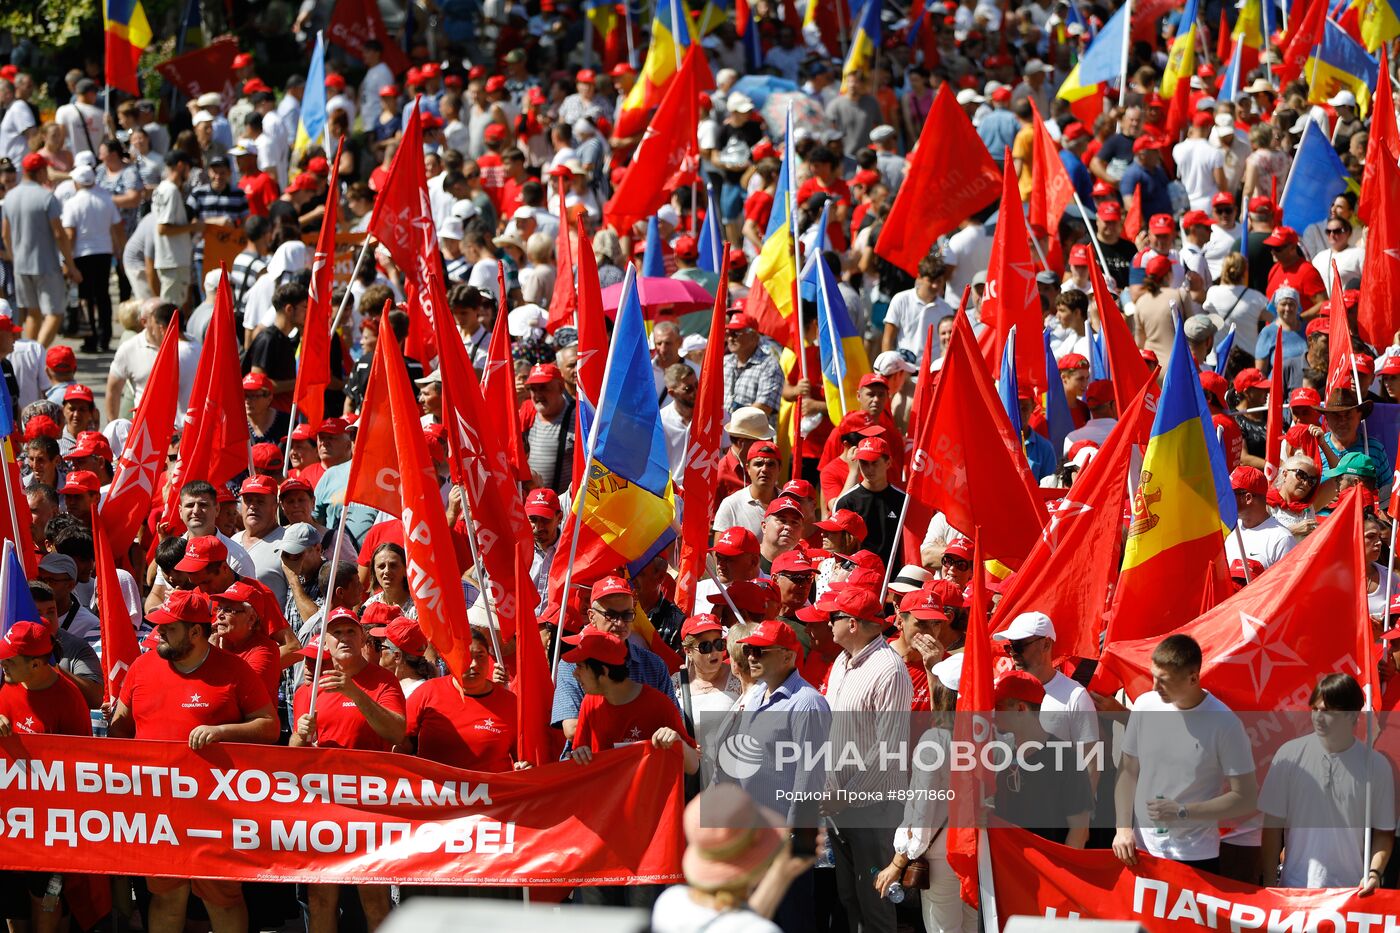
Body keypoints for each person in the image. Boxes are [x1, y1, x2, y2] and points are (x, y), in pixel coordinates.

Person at [109, 590, 278, 933]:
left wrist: (221, 731)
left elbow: (270, 726)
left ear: (196, 632)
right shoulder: (143, 666)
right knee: (167, 897)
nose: (157, 635)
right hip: (157, 810)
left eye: (168, 629)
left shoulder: (234, 670)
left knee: (222, 898)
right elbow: (120, 727)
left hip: (213, 810)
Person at [291, 607, 405, 933]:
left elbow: (397, 732)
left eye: (350, 632)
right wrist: (299, 735)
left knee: (374, 898)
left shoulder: (383, 681)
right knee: (321, 896)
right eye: (336, 633)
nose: (343, 638)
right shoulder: (307, 691)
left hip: (370, 805)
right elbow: (292, 758)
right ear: (324, 643)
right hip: (323, 807)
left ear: (363, 638)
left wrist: (355, 693)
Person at [1113, 634, 1257, 875]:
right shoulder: (1145, 705)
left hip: (1195, 856)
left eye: (1164, 681)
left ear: (1193, 678)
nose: (1155, 687)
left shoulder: (1225, 723)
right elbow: (1127, 771)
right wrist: (1122, 828)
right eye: (1153, 677)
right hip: (1140, 851)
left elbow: (1246, 797)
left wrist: (1183, 812)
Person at [823, 584, 913, 933]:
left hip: (873, 807)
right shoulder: (841, 662)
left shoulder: (889, 669)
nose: (828, 623)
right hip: (840, 804)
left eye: (834, 617)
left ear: (854, 623)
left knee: (874, 904)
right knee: (850, 897)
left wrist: (847, 795)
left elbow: (889, 747)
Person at [1259, 673, 1394, 890]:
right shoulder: (1289, 755)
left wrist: (1374, 874)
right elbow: (1272, 826)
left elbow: (1384, 833)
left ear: (1352, 715)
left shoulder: (1377, 766)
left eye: (1328, 711)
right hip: (1292, 891)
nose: (1318, 717)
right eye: (1315, 709)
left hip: (1349, 896)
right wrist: (1268, 885)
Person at [0, 620, 93, 933]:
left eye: (9, 660)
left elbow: (82, 770)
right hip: (12, 822)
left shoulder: (69, 700)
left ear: (37, 663)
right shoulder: (11, 684)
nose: (2, 664)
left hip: (51, 827)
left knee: (47, 903)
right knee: (13, 907)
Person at [651, 784, 818, 933]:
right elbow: (744, 925)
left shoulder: (669, 904)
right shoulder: (761, 929)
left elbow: (736, 923)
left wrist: (781, 876)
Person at [551, 576, 676, 744]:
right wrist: (632, 729)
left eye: (627, 615)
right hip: (592, 763)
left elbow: (673, 724)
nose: (619, 623)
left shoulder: (654, 665)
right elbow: (572, 729)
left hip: (643, 763)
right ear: (591, 616)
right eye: (610, 615)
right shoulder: (571, 664)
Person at [991, 671, 1092, 846]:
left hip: (1048, 868)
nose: (993, 714)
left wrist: (1058, 871)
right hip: (1008, 867)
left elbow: (1080, 830)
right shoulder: (1002, 754)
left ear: (1021, 709)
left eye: (998, 706)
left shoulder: (1066, 759)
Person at [2, 153, 78, 345]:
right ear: (41, 171)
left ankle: (27, 359)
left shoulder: (10, 196)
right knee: (55, 314)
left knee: (32, 314)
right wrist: (71, 265)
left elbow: (5, 234)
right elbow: (59, 234)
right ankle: (35, 355)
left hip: (21, 266)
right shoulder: (46, 197)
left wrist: (13, 257)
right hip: (46, 265)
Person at [831, 437, 906, 568]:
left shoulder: (903, 500)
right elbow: (837, 546)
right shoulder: (846, 501)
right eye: (864, 463)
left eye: (874, 463)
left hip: (892, 577)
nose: (869, 469)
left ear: (888, 463)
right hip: (855, 576)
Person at [1224, 466, 1298, 570]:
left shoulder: (1282, 539)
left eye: (1230, 494)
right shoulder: (1230, 528)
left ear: (1248, 498)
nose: (1225, 497)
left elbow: (1288, 582)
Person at [723, 312, 783, 422]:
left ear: (754, 337)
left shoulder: (769, 366)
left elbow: (763, 408)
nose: (730, 338)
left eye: (736, 333)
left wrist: (730, 424)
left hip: (750, 436)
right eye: (728, 333)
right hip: (723, 433)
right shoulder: (725, 362)